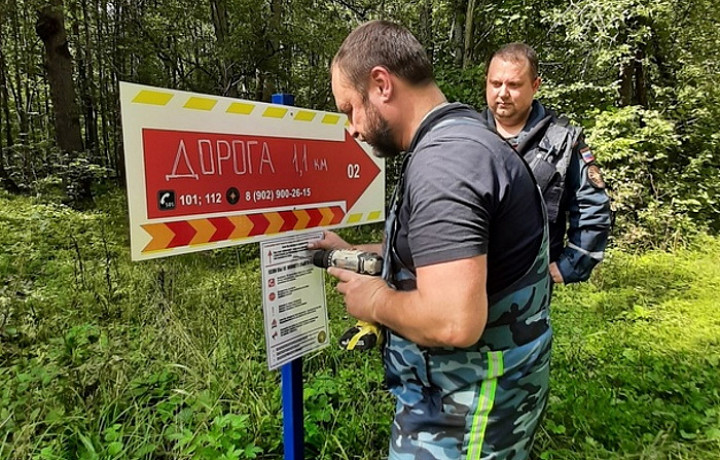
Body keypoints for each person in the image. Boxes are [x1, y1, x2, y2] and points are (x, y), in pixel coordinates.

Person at [310, 20, 552, 459]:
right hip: (478, 399)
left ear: (381, 84)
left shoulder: (446, 163)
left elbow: (452, 321)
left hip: (463, 414)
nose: (352, 129)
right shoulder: (461, 138)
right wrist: (351, 254)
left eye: (350, 109)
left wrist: (374, 300)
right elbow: (448, 256)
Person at [480, 43, 611, 285]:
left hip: (530, 288)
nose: (503, 93)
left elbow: (592, 209)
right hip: (469, 278)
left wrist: (571, 264)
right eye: (495, 83)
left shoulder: (562, 142)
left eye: (514, 85)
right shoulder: (467, 135)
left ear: (535, 85)